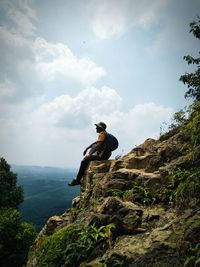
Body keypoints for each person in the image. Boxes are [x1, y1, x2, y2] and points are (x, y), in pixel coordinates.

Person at [68, 122, 111, 186]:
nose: (96, 128)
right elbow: (96, 143)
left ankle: (77, 180)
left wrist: (90, 154)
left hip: (101, 156)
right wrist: (87, 148)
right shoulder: (106, 134)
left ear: (100, 128)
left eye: (97, 127)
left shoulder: (102, 134)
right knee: (88, 156)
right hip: (106, 155)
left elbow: (98, 145)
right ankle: (78, 179)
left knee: (84, 160)